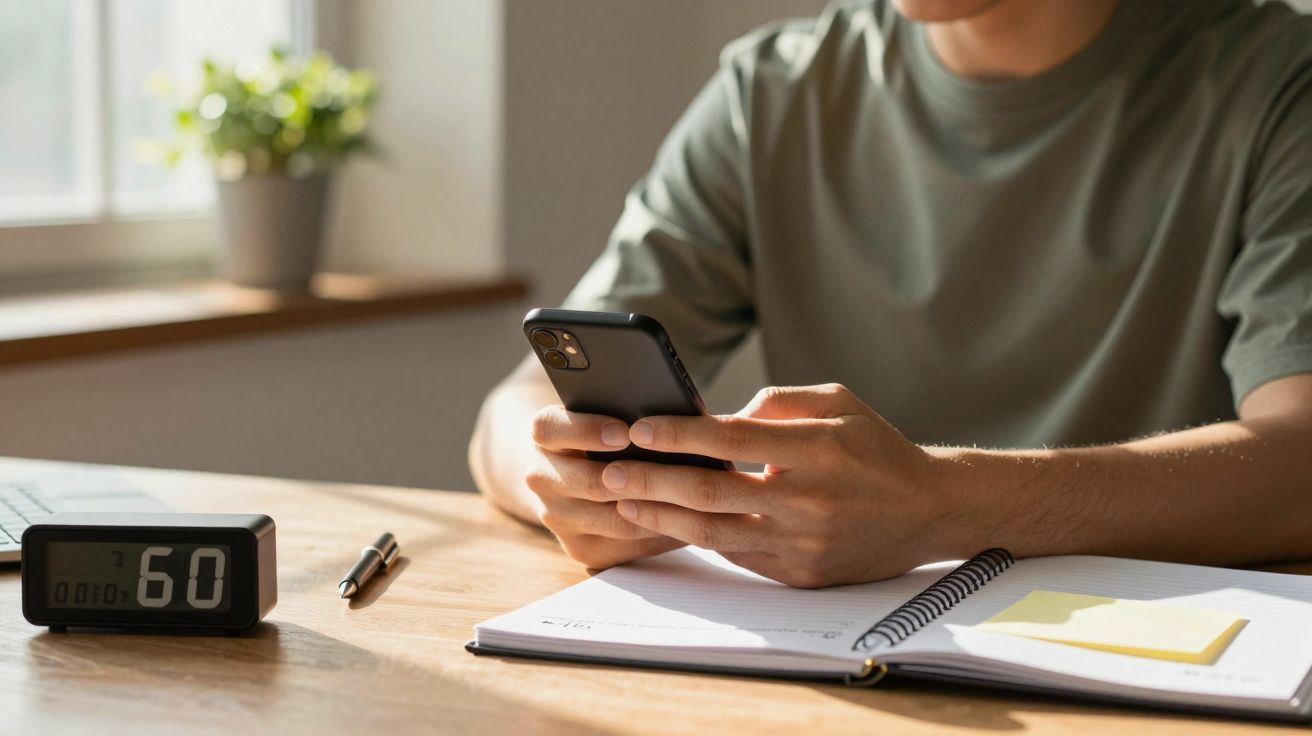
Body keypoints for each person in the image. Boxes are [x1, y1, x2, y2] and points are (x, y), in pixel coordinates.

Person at [469, 0, 1312, 588]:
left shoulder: (1278, 82)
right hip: (843, 674)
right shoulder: (772, 92)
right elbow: (513, 409)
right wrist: (568, 483)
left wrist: (946, 509)